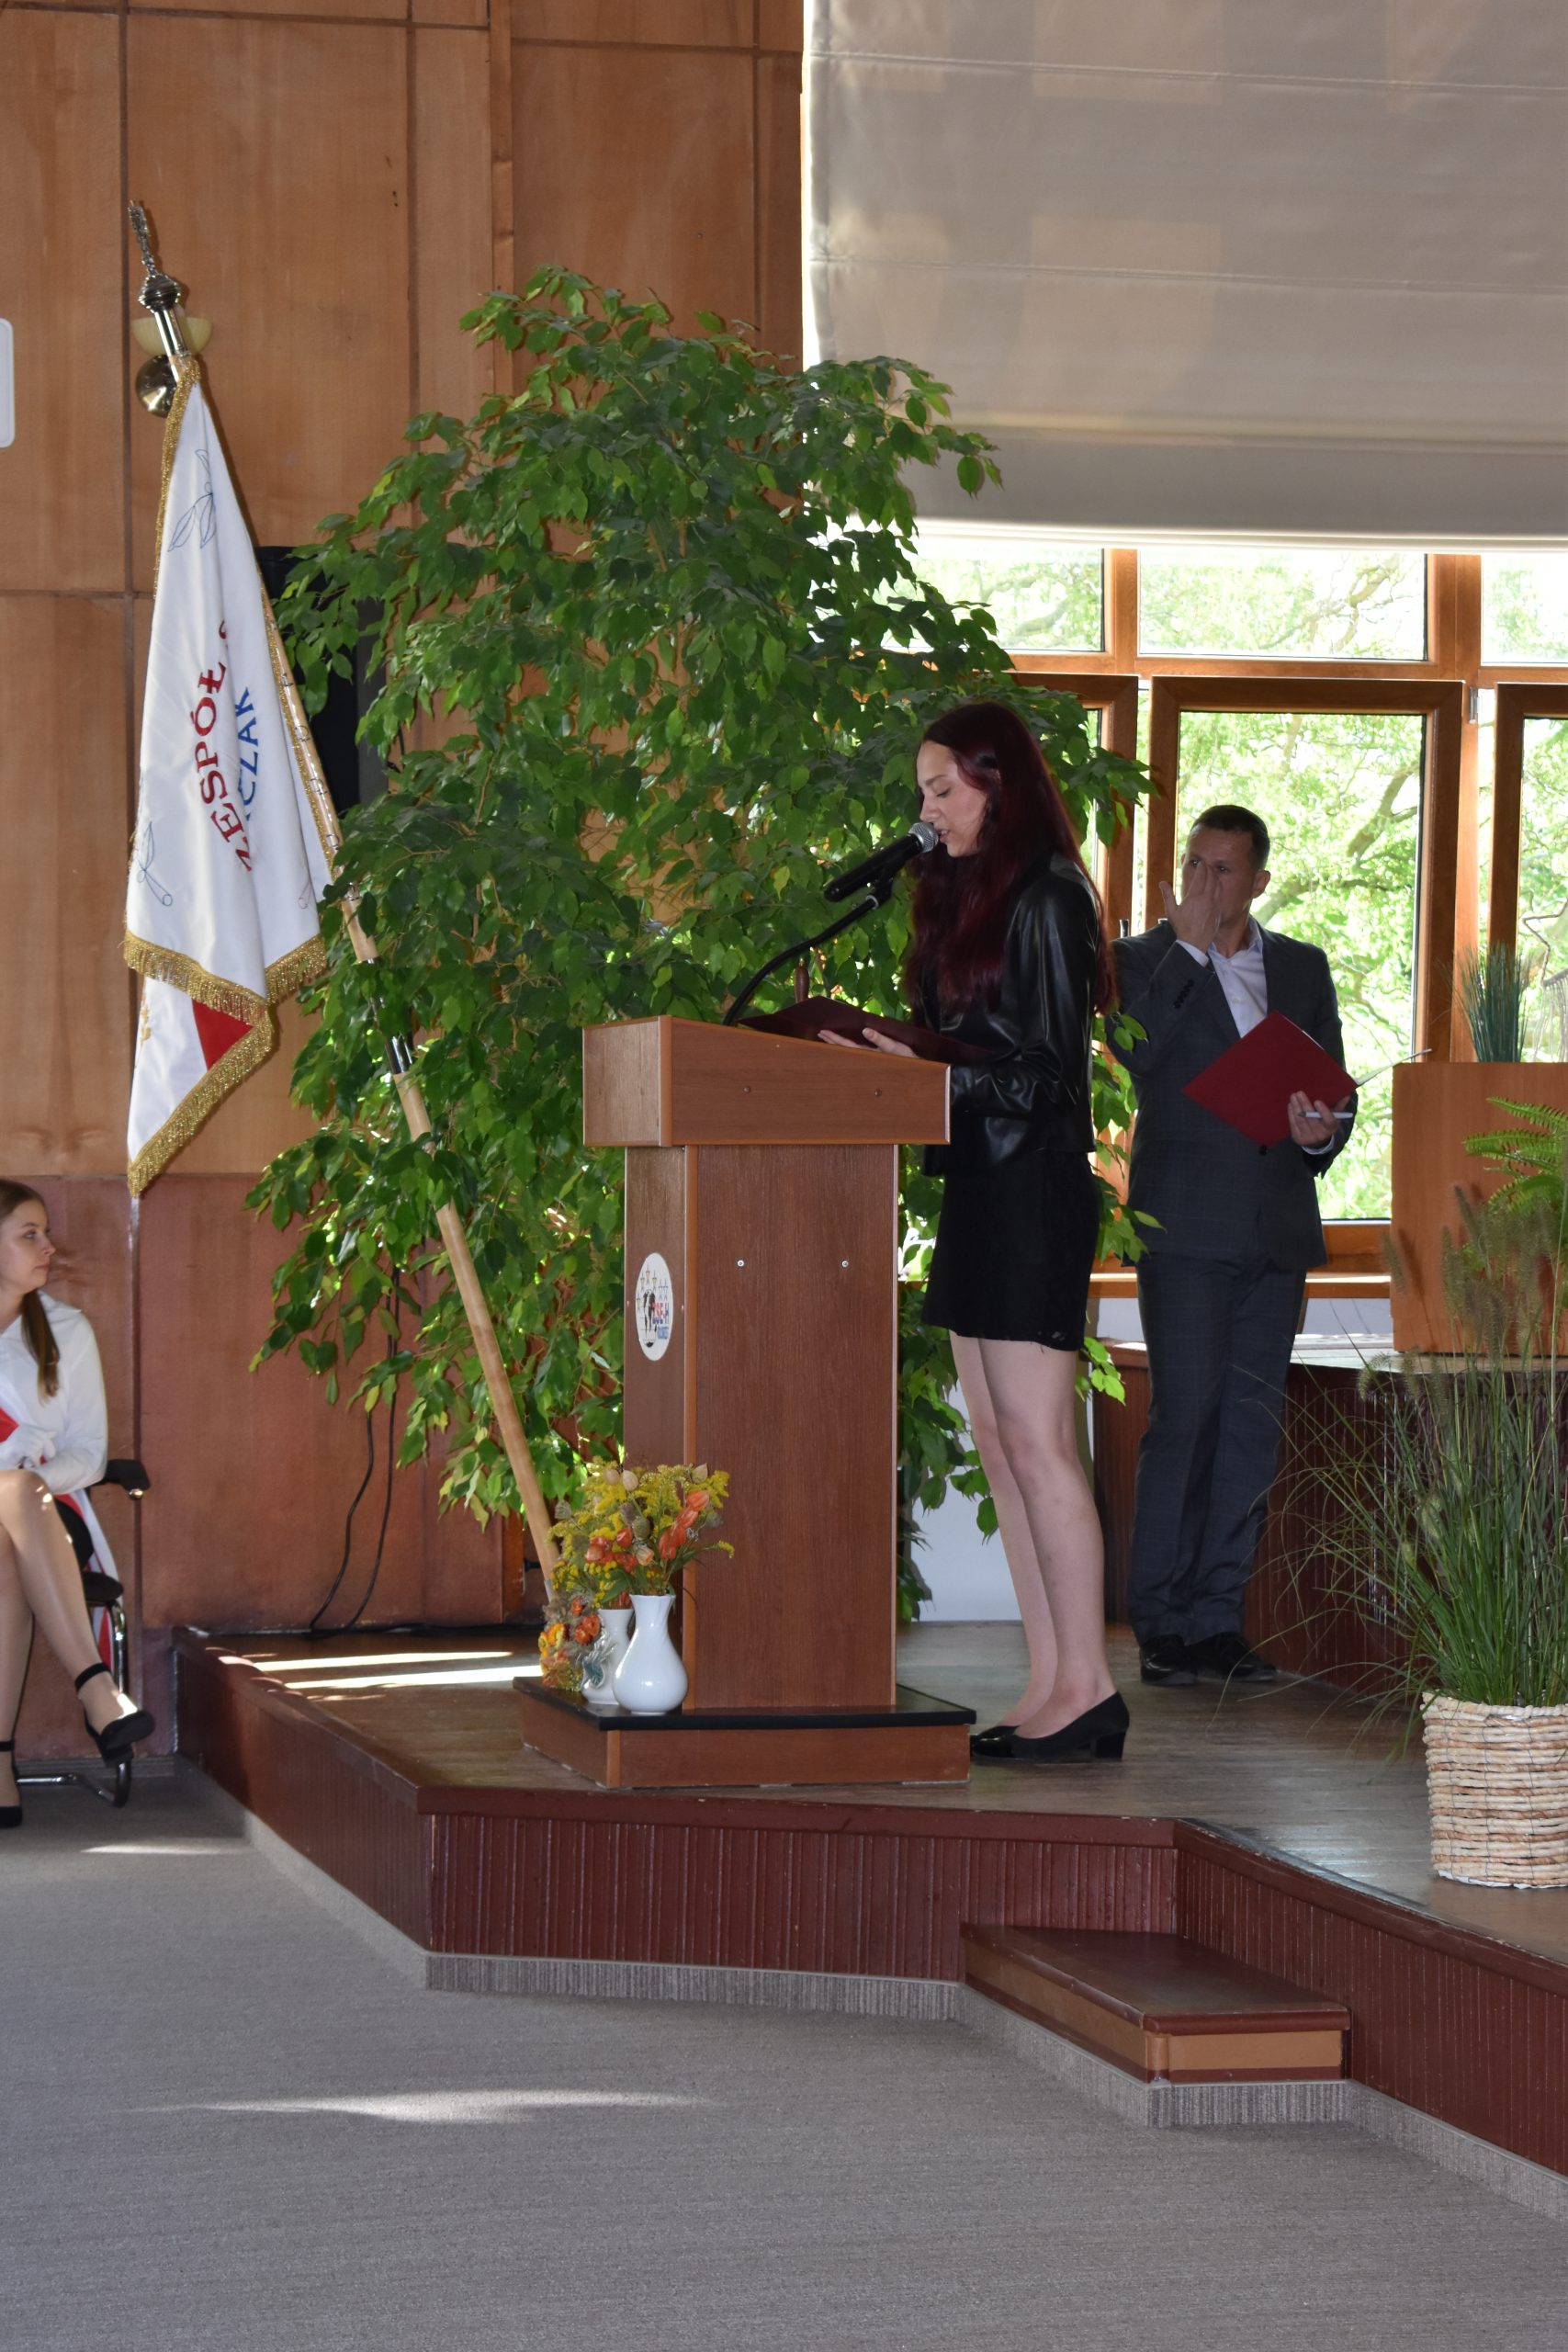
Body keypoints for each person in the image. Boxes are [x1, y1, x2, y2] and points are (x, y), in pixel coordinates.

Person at [824, 702, 1126, 1763]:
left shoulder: (1051, 896)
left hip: (1035, 1191)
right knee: (1000, 1443)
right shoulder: (965, 898)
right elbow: (973, 1050)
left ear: (1000, 788)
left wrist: (930, 1079)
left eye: (943, 789)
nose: (928, 810)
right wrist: (897, 1060)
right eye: (924, 792)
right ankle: (1050, 1680)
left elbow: (1048, 1077)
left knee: (1041, 1445)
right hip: (979, 1190)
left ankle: (1090, 1688)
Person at [1111, 807, 1355, 1687]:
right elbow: (1137, 1053)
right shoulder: (1139, 959)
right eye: (1194, 865)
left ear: (1258, 881)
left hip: (1275, 1229)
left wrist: (1320, 1131)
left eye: (1223, 870)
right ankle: (1161, 1625)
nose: (1205, 884)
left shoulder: (1300, 965)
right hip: (1185, 1229)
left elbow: (1335, 1095)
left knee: (1251, 1429)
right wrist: (1186, 951)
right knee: (1184, 1422)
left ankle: (1217, 1622)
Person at [0, 1180, 155, 1827]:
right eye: (29, 1234)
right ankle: (96, 1690)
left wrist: (27, 1478)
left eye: (45, 1232)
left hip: (48, 1515)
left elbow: (90, 1455)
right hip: (25, 1521)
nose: (49, 1247)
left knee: (13, 1507)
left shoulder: (67, 1330)